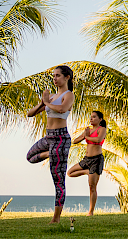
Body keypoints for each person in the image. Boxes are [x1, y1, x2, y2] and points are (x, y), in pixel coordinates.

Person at [27, 65, 75, 223]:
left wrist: (47, 103)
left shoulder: (69, 95)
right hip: (49, 138)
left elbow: (62, 109)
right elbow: (30, 114)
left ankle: (56, 218)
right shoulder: (51, 97)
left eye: (58, 76)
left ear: (67, 77)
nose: (55, 78)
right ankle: (51, 154)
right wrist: (43, 102)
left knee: (58, 179)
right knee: (30, 156)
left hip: (61, 138)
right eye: (53, 76)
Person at [67, 110, 107, 216]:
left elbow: (98, 140)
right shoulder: (88, 130)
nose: (91, 118)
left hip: (96, 160)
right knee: (70, 173)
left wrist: (86, 137)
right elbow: (74, 141)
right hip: (86, 159)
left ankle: (91, 211)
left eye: (94, 117)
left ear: (100, 119)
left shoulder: (101, 129)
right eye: (91, 117)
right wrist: (84, 135)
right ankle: (87, 172)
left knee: (92, 187)